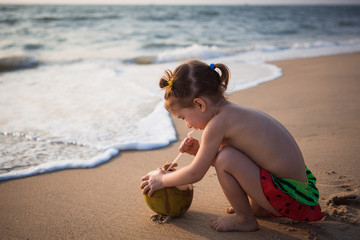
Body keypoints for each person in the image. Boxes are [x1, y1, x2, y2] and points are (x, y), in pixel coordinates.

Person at [140, 60, 323, 232]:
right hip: (300, 192)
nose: (187, 125)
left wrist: (161, 180)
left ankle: (245, 219)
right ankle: (258, 208)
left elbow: (197, 173)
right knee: (227, 155)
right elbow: (245, 161)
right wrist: (198, 152)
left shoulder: (217, 125)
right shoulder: (233, 114)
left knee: (227, 156)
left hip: (290, 197)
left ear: (199, 104)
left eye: (183, 117)